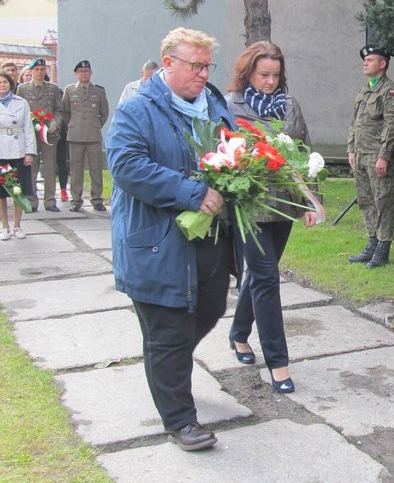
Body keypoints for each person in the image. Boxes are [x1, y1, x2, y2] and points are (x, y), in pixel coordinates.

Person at [106, 28, 235, 451]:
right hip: (158, 244)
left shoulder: (212, 103)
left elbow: (232, 149)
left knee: (211, 309)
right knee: (167, 331)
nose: (202, 73)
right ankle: (181, 421)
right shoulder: (137, 109)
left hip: (210, 240)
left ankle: (168, 367)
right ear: (167, 64)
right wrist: (192, 192)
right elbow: (127, 167)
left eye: (206, 65)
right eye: (194, 65)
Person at [225, 40, 321, 392]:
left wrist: (312, 200)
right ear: (248, 72)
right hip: (249, 206)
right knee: (266, 277)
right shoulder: (229, 103)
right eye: (263, 74)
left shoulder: (290, 104)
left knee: (261, 274)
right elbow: (222, 151)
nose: (269, 81)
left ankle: (238, 333)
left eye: (275, 75)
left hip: (284, 204)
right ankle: (278, 363)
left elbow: (305, 151)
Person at [346, 45, 394, 267]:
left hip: (377, 157)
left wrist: (384, 156)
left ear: (382, 64)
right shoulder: (364, 90)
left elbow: (392, 125)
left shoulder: (390, 91)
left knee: (383, 202)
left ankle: (383, 247)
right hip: (360, 155)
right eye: (364, 59)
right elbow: (355, 123)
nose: (365, 62)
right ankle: (372, 241)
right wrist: (351, 149)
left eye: (370, 59)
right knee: (365, 201)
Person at [16, 58, 63, 212]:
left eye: (43, 69)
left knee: (50, 168)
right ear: (31, 71)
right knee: (31, 168)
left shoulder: (53, 88)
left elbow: (59, 110)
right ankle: (31, 201)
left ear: (46, 71)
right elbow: (19, 111)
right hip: (30, 136)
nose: (40, 72)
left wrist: (55, 123)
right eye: (37, 69)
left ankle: (50, 201)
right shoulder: (22, 89)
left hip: (49, 135)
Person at [63, 60, 109, 211]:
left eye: (86, 71)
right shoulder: (69, 91)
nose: (84, 74)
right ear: (76, 74)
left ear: (91, 73)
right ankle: (76, 199)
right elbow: (65, 112)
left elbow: (104, 113)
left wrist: (95, 125)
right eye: (81, 72)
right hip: (75, 135)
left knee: (96, 168)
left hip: (93, 135)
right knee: (76, 169)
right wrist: (73, 124)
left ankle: (97, 199)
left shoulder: (99, 91)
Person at [0, 71, 36, 240]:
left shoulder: (21, 102)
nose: (2, 85)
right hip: (1, 151)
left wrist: (29, 152)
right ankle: (4, 227)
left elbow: (28, 129)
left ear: (10, 84)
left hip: (18, 150)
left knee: (18, 190)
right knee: (1, 192)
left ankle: (17, 225)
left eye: (5, 82)